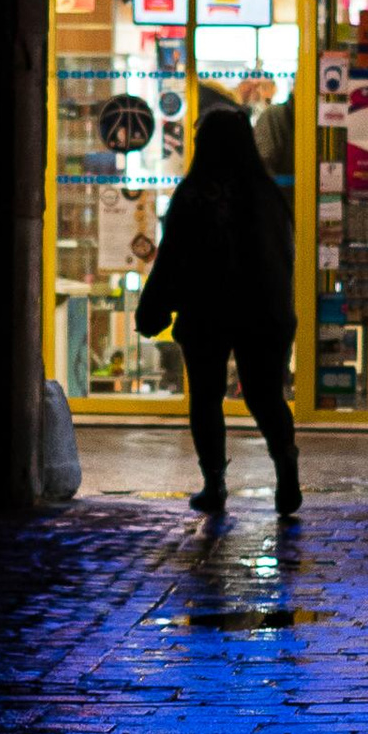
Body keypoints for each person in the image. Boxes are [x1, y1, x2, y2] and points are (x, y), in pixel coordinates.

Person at [136, 102, 304, 516]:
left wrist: (154, 307)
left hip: (205, 313)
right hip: (262, 313)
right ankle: (286, 471)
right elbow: (282, 258)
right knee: (266, 397)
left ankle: (214, 483)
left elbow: (172, 256)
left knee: (206, 399)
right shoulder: (266, 194)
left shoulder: (194, 194)